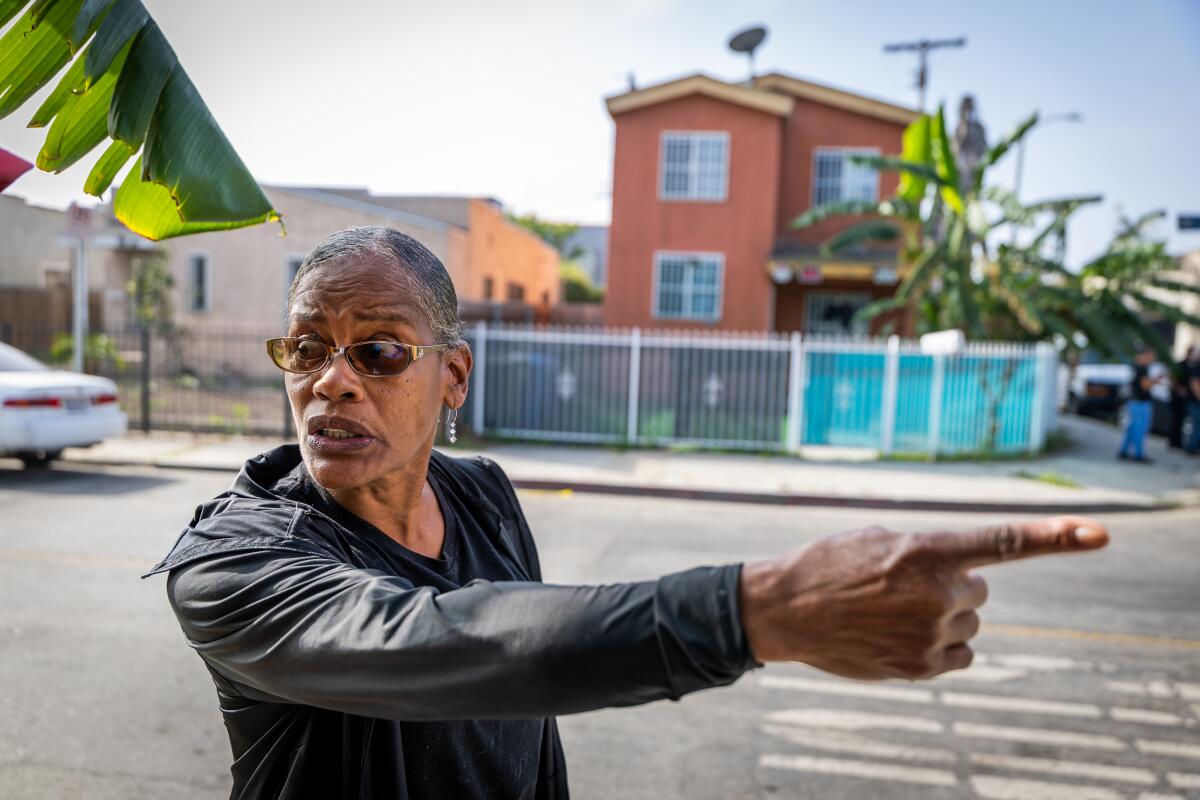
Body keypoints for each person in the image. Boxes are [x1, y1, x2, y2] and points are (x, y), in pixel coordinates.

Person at [144, 226, 1109, 800]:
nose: (331, 381)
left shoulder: (480, 493)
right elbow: (438, 644)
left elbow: (526, 718)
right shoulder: (233, 560)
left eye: (379, 351)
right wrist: (763, 611)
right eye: (307, 348)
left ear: (454, 378)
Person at [1117, 347, 1162, 463]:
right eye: (1151, 357)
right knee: (1139, 430)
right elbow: (1145, 386)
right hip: (1140, 403)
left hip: (1134, 402)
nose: (1152, 359)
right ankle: (1139, 454)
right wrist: (1156, 380)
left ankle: (1123, 451)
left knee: (1131, 429)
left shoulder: (1134, 367)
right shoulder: (1142, 368)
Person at [1187, 347, 1200, 455]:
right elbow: (1194, 384)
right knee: (1197, 425)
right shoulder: (1197, 366)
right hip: (1195, 402)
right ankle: (1191, 447)